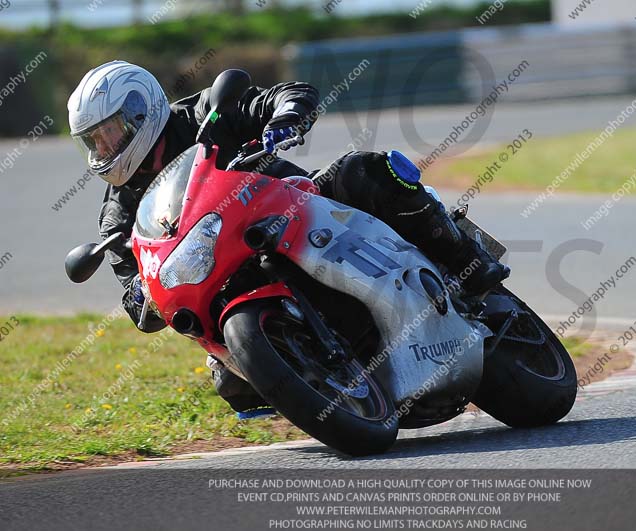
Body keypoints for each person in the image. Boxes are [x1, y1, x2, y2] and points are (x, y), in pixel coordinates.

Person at [68, 60, 509, 414]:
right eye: (95, 141)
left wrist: (286, 117)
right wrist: (141, 294)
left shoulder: (204, 113)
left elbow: (286, 94)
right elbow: (137, 298)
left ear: (141, 110)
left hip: (295, 207)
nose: (104, 147)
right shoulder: (118, 213)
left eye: (111, 131)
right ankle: (316, 379)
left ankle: (467, 261)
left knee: (368, 170)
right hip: (226, 273)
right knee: (229, 381)